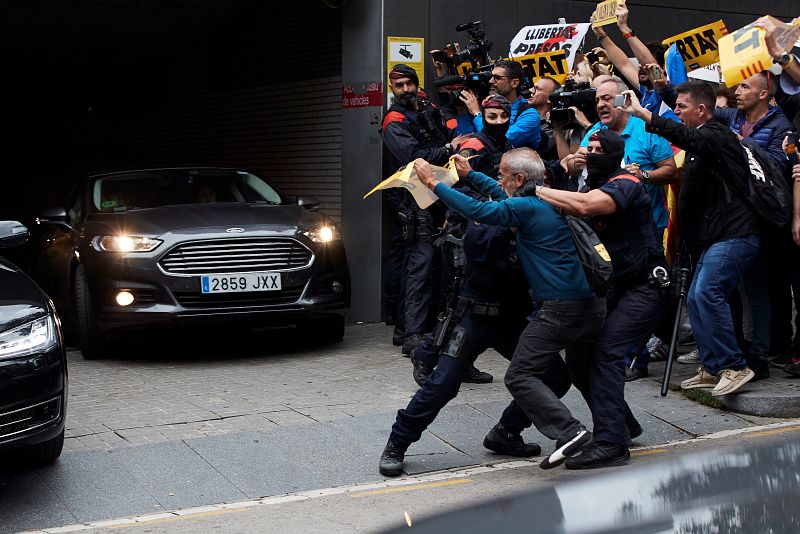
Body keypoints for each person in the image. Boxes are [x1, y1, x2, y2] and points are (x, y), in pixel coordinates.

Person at [392, 148, 616, 473]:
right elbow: (494, 203)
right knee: (442, 385)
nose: (498, 181)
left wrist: (433, 183)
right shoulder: (543, 201)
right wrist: (470, 176)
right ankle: (397, 443)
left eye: (502, 174)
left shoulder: (524, 208)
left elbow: (481, 207)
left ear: (520, 180)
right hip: (476, 316)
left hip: (529, 314)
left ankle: (529, 432)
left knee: (536, 375)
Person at [536, 130, 668, 468]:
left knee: (607, 353)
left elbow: (587, 206)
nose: (591, 154)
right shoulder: (585, 186)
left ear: (613, 154)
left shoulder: (626, 183)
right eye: (587, 148)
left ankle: (611, 443)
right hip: (614, 289)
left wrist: (534, 190)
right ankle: (622, 424)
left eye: (598, 150)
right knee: (579, 358)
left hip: (646, 288)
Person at [620, 81, 760, 397]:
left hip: (735, 234)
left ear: (700, 110)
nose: (677, 111)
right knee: (697, 297)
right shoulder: (701, 144)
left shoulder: (716, 136)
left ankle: (734, 366)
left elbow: (686, 137)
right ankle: (713, 368)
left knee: (708, 292)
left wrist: (644, 114)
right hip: (713, 238)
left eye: (681, 107)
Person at [380, 64, 464, 353]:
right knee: (419, 265)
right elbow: (414, 157)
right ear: (391, 88)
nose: (404, 89)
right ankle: (411, 333)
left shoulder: (426, 106)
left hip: (436, 194)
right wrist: (449, 149)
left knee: (428, 265)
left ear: (416, 84)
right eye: (398, 85)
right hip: (413, 200)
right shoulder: (394, 120)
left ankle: (411, 329)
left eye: (408, 84)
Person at [460, 60, 542, 150]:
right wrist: (462, 110)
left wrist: (476, 113)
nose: (491, 81)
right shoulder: (484, 106)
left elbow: (500, 140)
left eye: (497, 78)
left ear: (514, 83)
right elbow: (465, 138)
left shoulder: (530, 115)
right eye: (491, 77)